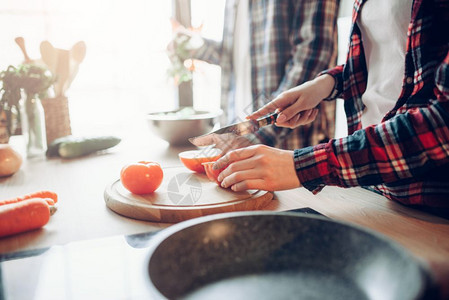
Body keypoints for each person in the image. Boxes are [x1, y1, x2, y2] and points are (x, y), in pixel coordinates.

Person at [212, 0, 449, 214]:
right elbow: (389, 62)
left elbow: (442, 124)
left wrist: (301, 166)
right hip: (372, 192)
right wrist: (327, 84)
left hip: (430, 206)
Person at [168, 0, 340, 151]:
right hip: (240, 136)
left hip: (292, 146)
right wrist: (195, 46)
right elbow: (240, 57)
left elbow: (313, 55)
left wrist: (258, 136)